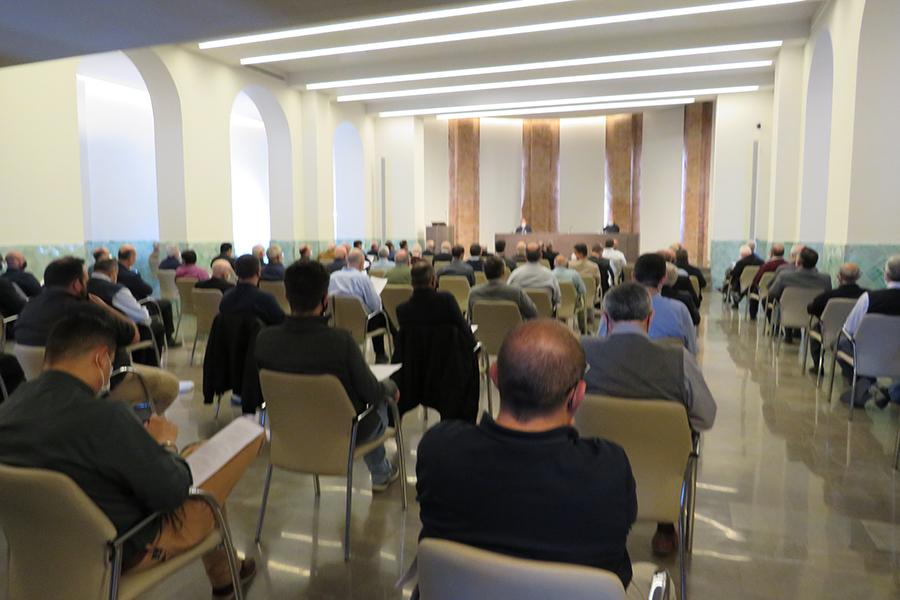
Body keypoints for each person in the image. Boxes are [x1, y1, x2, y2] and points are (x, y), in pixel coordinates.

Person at [0, 313, 262, 598]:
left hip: (43, 547)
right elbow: (172, 492)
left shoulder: (10, 408)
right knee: (231, 443)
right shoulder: (105, 416)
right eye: (111, 363)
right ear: (101, 359)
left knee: (189, 458)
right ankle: (227, 576)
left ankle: (228, 571)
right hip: (124, 548)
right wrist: (164, 444)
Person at [417, 319, 671, 597]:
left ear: (494, 375)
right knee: (654, 576)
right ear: (577, 396)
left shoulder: (438, 450)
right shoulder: (608, 469)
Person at [584, 282, 716, 556]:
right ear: (650, 318)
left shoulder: (580, 351)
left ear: (605, 319)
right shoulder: (679, 359)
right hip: (659, 467)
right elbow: (706, 417)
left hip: (591, 470)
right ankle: (666, 526)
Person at [255, 259, 400, 491]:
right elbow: (372, 393)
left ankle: (381, 471)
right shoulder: (340, 341)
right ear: (325, 299)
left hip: (288, 433)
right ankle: (381, 472)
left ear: (286, 294)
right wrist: (390, 387)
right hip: (343, 434)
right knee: (384, 400)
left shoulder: (264, 339)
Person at [14, 257, 180, 412]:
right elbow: (133, 335)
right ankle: (141, 433)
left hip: (42, 391)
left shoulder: (28, 309)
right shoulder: (86, 310)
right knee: (168, 385)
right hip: (101, 386)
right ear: (77, 284)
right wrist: (104, 307)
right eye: (85, 279)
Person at [602, 253, 697, 355]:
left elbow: (602, 344)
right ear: (664, 278)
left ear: (633, 276)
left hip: (620, 367)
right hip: (666, 368)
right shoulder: (680, 310)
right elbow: (691, 350)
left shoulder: (613, 306)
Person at [837, 255, 900, 408]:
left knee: (840, 343)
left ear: (886, 275)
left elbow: (849, 330)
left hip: (869, 353)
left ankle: (866, 384)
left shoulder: (869, 298)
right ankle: (890, 392)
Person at [88, 259, 164, 360]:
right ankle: (153, 366)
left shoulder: (84, 288)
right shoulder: (116, 290)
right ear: (113, 272)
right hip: (120, 334)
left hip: (94, 335)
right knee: (157, 325)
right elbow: (143, 317)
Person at [329, 249, 390, 363]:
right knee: (381, 315)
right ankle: (381, 355)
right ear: (362, 263)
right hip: (363, 324)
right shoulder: (363, 279)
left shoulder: (333, 277)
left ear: (347, 261)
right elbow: (375, 306)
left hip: (337, 322)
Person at [806, 263, 865, 370]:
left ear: (839, 276)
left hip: (829, 332)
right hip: (857, 334)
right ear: (858, 277)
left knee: (815, 327)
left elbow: (812, 309)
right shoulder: (866, 296)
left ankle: (817, 366)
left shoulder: (827, 296)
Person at [117, 245, 179, 347]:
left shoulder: (115, 270)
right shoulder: (131, 275)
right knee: (166, 304)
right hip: (138, 305)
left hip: (124, 306)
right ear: (131, 258)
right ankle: (168, 338)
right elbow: (148, 289)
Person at [219, 255, 285, 326]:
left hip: (231, 337)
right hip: (260, 336)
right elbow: (282, 323)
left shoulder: (226, 297)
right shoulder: (266, 299)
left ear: (236, 273)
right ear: (258, 272)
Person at [468, 256, 538, 320]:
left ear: (484, 273)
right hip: (513, 332)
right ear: (503, 272)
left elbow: (470, 319)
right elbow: (533, 313)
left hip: (482, 332)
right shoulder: (516, 292)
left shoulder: (473, 293)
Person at [507, 243, 561, 307]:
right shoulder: (550, 275)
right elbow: (557, 299)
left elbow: (508, 296)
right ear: (541, 256)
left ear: (525, 256)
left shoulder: (515, 274)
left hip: (522, 315)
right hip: (545, 315)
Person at [747, 243, 787, 319]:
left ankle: (753, 316)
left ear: (771, 253)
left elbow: (756, 280)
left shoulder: (766, 266)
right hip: (782, 292)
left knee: (753, 291)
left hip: (765, 291)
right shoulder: (787, 265)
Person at [553, 254, 587, 331]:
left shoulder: (549, 274)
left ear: (554, 264)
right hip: (572, 305)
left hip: (555, 305)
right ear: (567, 264)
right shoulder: (574, 274)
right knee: (582, 302)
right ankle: (583, 330)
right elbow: (583, 291)